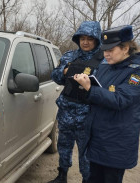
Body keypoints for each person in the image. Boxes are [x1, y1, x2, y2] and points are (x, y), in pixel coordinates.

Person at [73, 25, 140, 183]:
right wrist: (84, 87)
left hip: (116, 144)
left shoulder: (137, 73)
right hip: (97, 139)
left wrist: (90, 90)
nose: (105, 54)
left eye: (110, 50)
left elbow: (120, 100)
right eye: (104, 50)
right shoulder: (105, 67)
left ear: (125, 48)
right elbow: (96, 94)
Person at [49, 21, 103, 183]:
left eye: (90, 39)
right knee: (63, 146)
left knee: (86, 154)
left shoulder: (103, 60)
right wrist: (65, 71)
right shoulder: (69, 56)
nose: (85, 42)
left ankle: (87, 180)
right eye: (82, 38)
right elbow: (56, 76)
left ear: (96, 40)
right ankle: (62, 175)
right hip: (66, 111)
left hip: (87, 115)